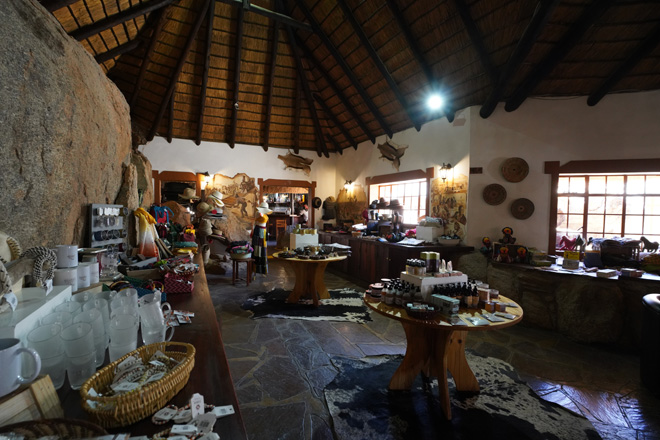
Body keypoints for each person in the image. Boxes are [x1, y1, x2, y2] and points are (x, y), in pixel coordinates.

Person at [252, 201, 272, 275]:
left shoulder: (264, 214)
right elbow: (255, 222)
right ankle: (255, 269)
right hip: (258, 231)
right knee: (257, 250)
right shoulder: (258, 213)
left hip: (263, 231)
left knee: (263, 250)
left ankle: (263, 269)